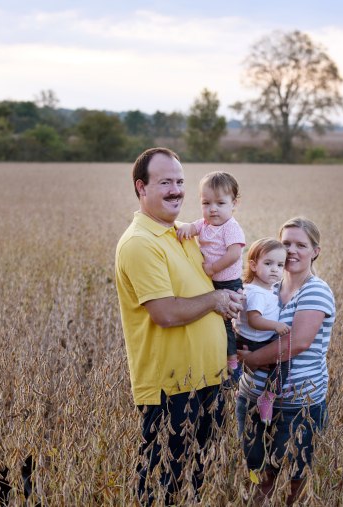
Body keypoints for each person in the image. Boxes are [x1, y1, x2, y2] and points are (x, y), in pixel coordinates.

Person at [114, 147, 244, 505]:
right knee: (161, 487)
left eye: (180, 181)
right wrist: (216, 302)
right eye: (165, 182)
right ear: (141, 188)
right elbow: (166, 313)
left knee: (197, 483)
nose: (176, 190)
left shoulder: (181, 234)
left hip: (209, 380)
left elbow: (212, 281)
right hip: (171, 389)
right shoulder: (141, 243)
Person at [236, 217, 336, 505]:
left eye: (301, 245)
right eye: (286, 243)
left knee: (295, 477)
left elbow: (299, 341)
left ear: (315, 251)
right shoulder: (268, 286)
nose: (292, 250)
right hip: (252, 396)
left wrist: (252, 358)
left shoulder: (315, 290)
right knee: (257, 472)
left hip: (297, 404)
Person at [177, 171, 245, 381]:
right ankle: (214, 358)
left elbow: (234, 254)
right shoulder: (205, 224)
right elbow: (193, 227)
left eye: (220, 203)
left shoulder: (230, 227)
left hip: (228, 282)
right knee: (211, 320)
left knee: (225, 322)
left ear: (234, 204)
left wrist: (213, 267)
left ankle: (233, 363)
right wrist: (187, 227)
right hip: (211, 281)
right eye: (206, 203)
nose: (212, 209)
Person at [234, 238, 290, 425]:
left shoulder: (265, 288)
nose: (275, 269)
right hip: (255, 340)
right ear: (253, 265)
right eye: (268, 263)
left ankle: (239, 383)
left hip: (251, 338)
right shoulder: (257, 293)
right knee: (283, 362)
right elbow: (254, 320)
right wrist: (276, 326)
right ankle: (267, 396)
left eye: (280, 265)